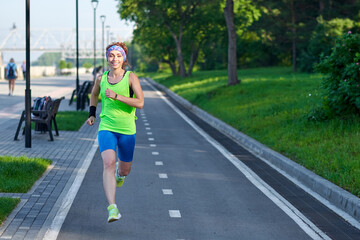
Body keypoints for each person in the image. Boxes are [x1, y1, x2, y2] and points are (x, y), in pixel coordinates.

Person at [86, 42, 144, 223]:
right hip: (107, 127)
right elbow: (94, 94)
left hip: (127, 129)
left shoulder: (131, 77)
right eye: (111, 55)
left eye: (118, 56)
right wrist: (92, 114)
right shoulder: (100, 78)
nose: (114, 59)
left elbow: (140, 103)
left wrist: (117, 96)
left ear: (123, 59)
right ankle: (112, 208)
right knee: (109, 163)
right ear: (107, 58)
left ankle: (120, 175)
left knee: (124, 170)